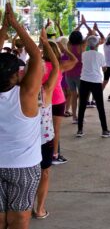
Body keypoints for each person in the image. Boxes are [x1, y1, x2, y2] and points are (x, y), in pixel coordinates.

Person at [0, 3, 43, 229]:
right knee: (20, 219)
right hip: (24, 169)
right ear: (17, 74)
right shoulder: (26, 95)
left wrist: (4, 28)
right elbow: (38, 55)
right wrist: (15, 24)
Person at [33, 29, 59, 221]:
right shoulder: (45, 90)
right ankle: (39, 208)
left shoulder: (17, 91)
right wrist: (46, 44)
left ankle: (22, 207)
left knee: (26, 174)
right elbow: (56, 67)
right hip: (44, 137)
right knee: (44, 173)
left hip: (24, 138)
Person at [42, 38, 77, 166]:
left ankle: (41, 152)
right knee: (55, 129)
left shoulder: (39, 65)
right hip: (57, 100)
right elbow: (75, 60)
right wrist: (65, 50)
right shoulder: (60, 65)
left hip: (43, 100)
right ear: (56, 51)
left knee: (40, 127)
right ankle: (54, 155)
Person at [77, 35, 110, 138]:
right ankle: (105, 130)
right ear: (97, 44)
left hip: (84, 81)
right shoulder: (100, 55)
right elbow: (104, 69)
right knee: (100, 106)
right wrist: (104, 68)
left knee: (82, 105)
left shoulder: (84, 54)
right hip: (96, 82)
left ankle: (80, 130)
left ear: (88, 44)